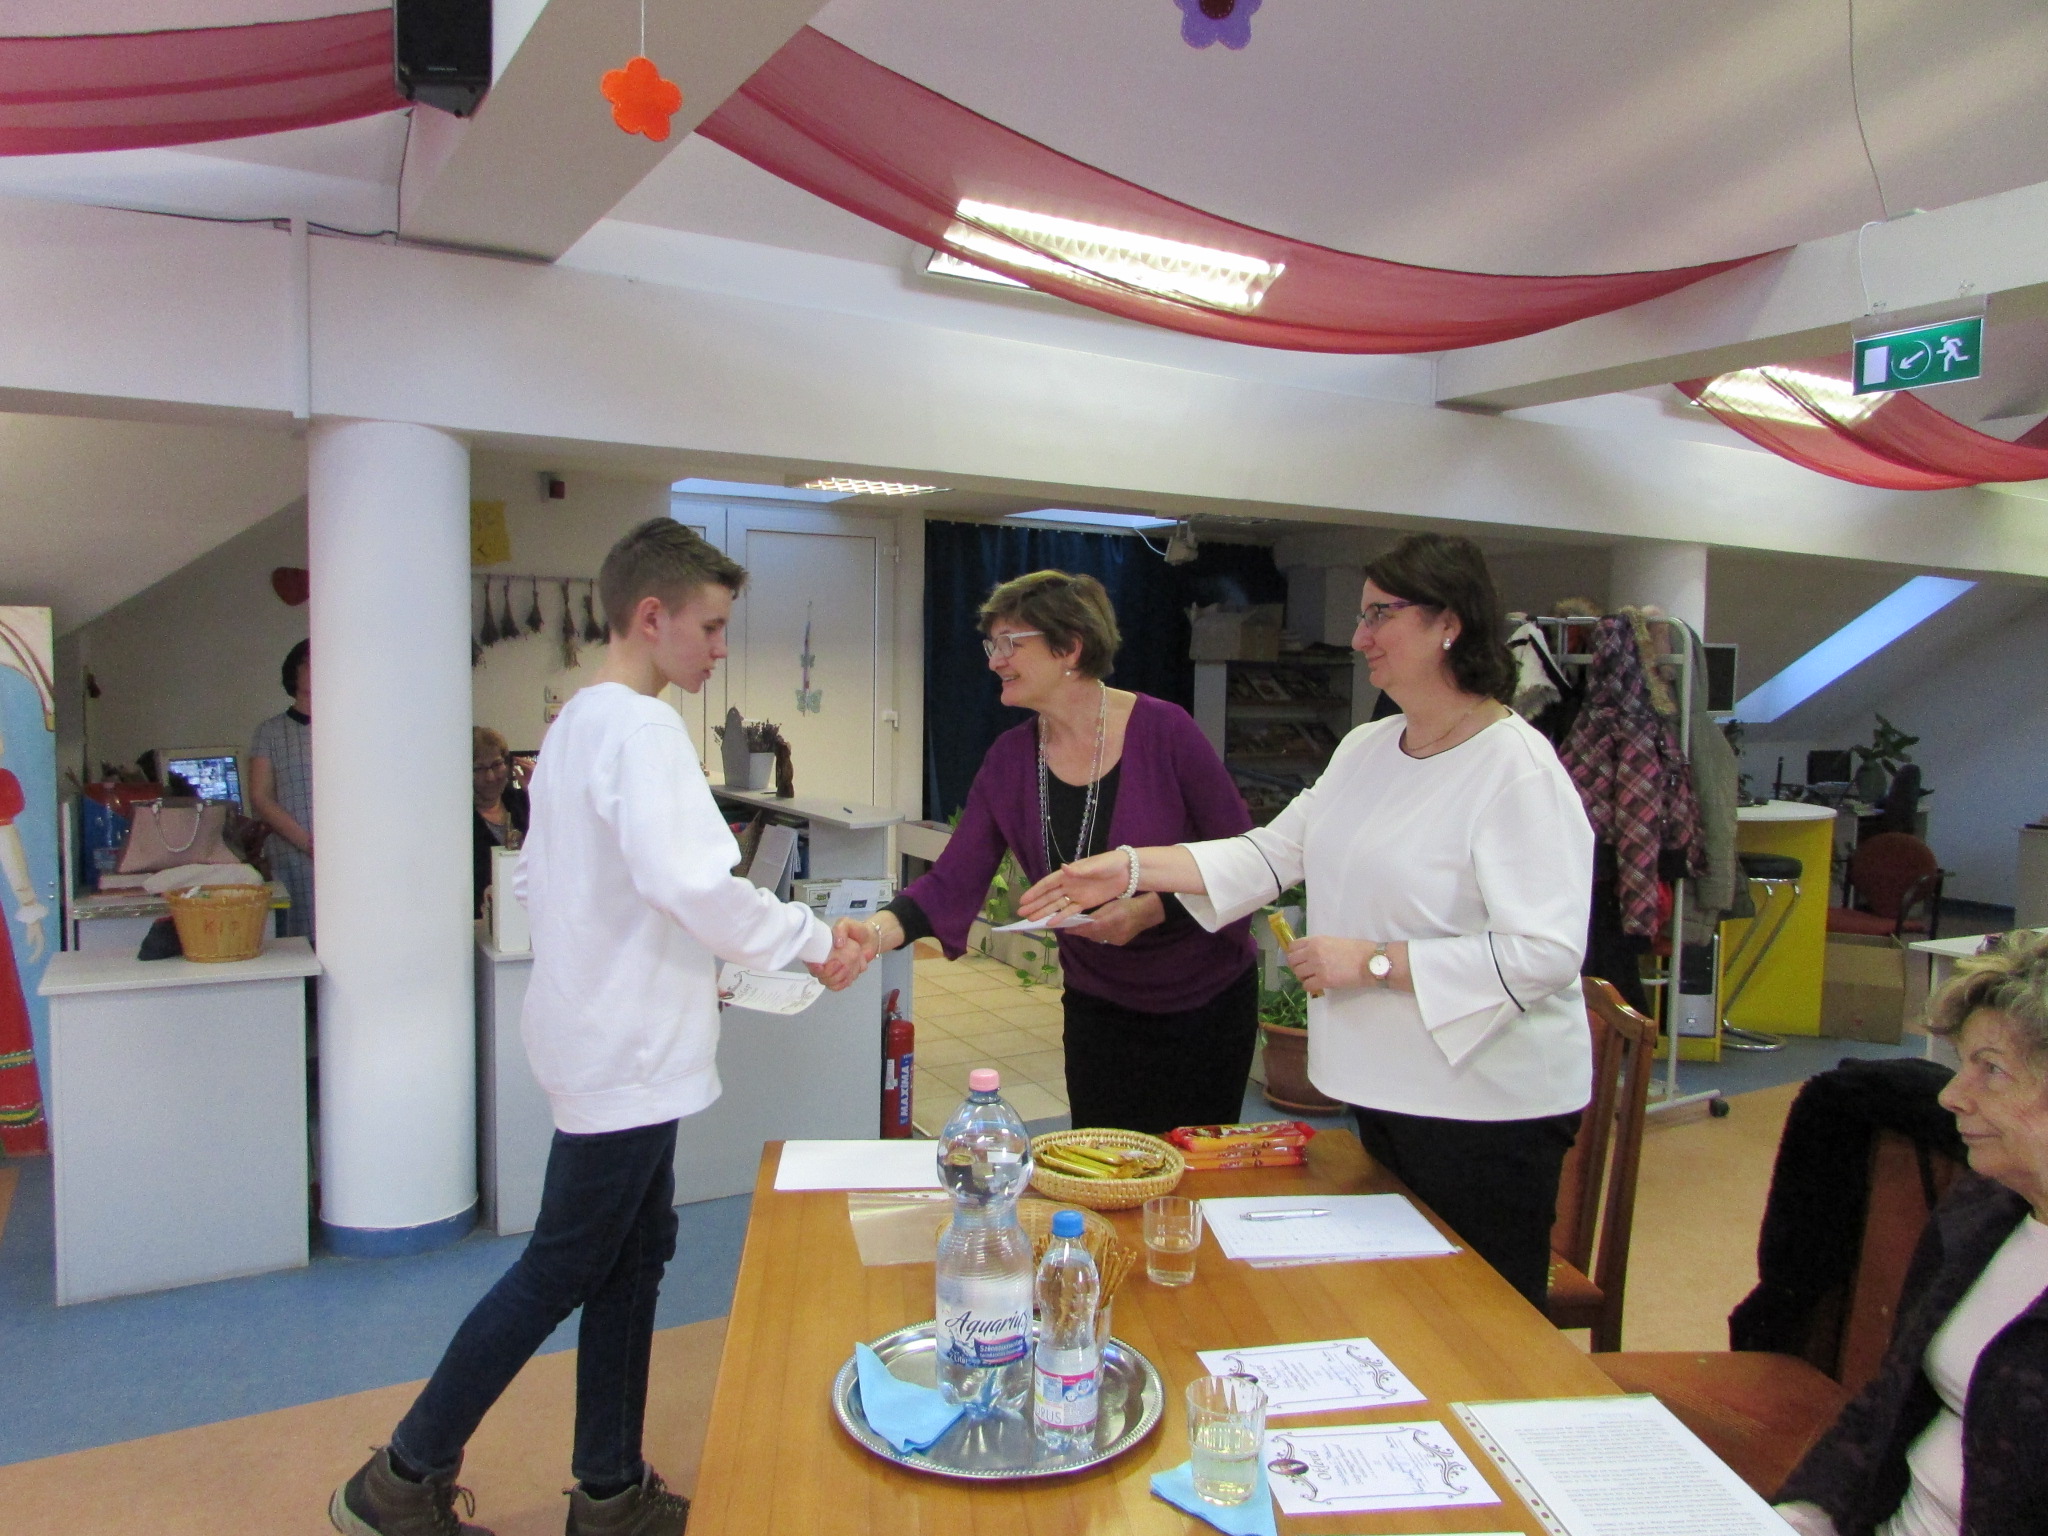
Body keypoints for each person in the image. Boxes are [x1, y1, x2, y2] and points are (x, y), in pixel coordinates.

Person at [331, 519, 871, 1536]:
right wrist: (809, 941)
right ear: (650, 616)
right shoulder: (642, 731)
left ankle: (610, 1493)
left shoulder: (575, 722)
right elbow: (690, 884)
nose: (718, 650)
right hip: (627, 1052)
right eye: (709, 628)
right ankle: (399, 1480)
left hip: (607, 1035)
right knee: (564, 1266)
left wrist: (674, 963)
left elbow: (548, 882)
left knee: (634, 1255)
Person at [1021, 533, 1593, 1305]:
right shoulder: (1369, 747)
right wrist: (1128, 867)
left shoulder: (1515, 767)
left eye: (1379, 615)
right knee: (1402, 1306)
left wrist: (1376, 962)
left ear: (1449, 623)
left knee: (1478, 1320)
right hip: (1391, 1087)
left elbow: (1546, 952)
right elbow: (1269, 853)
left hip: (1487, 1109)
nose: (1358, 638)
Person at [851, 569, 1258, 1135]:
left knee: (1195, 1169)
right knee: (1102, 1163)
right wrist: (872, 935)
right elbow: (952, 880)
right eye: (991, 645)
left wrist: (1150, 910)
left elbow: (1243, 859)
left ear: (1070, 648)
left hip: (1203, 999)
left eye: (1011, 643)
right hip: (1099, 1005)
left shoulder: (1166, 731)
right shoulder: (1010, 760)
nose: (995, 660)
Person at [1776, 936, 2048, 1536]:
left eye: (1991, 1069)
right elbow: (1889, 1401)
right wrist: (1803, 1516)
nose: (1951, 1095)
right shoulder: (1983, 1209)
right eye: (1962, 1064)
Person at [250, 639, 313, 938]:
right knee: (298, 940)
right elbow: (261, 796)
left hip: (347, 854)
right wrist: (309, 844)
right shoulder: (270, 732)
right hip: (292, 851)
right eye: (310, 663)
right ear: (294, 672)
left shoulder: (351, 726)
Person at [471, 726, 529, 919]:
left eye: (496, 765)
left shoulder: (523, 802)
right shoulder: (459, 819)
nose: (490, 777)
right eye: (479, 769)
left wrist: (537, 792)